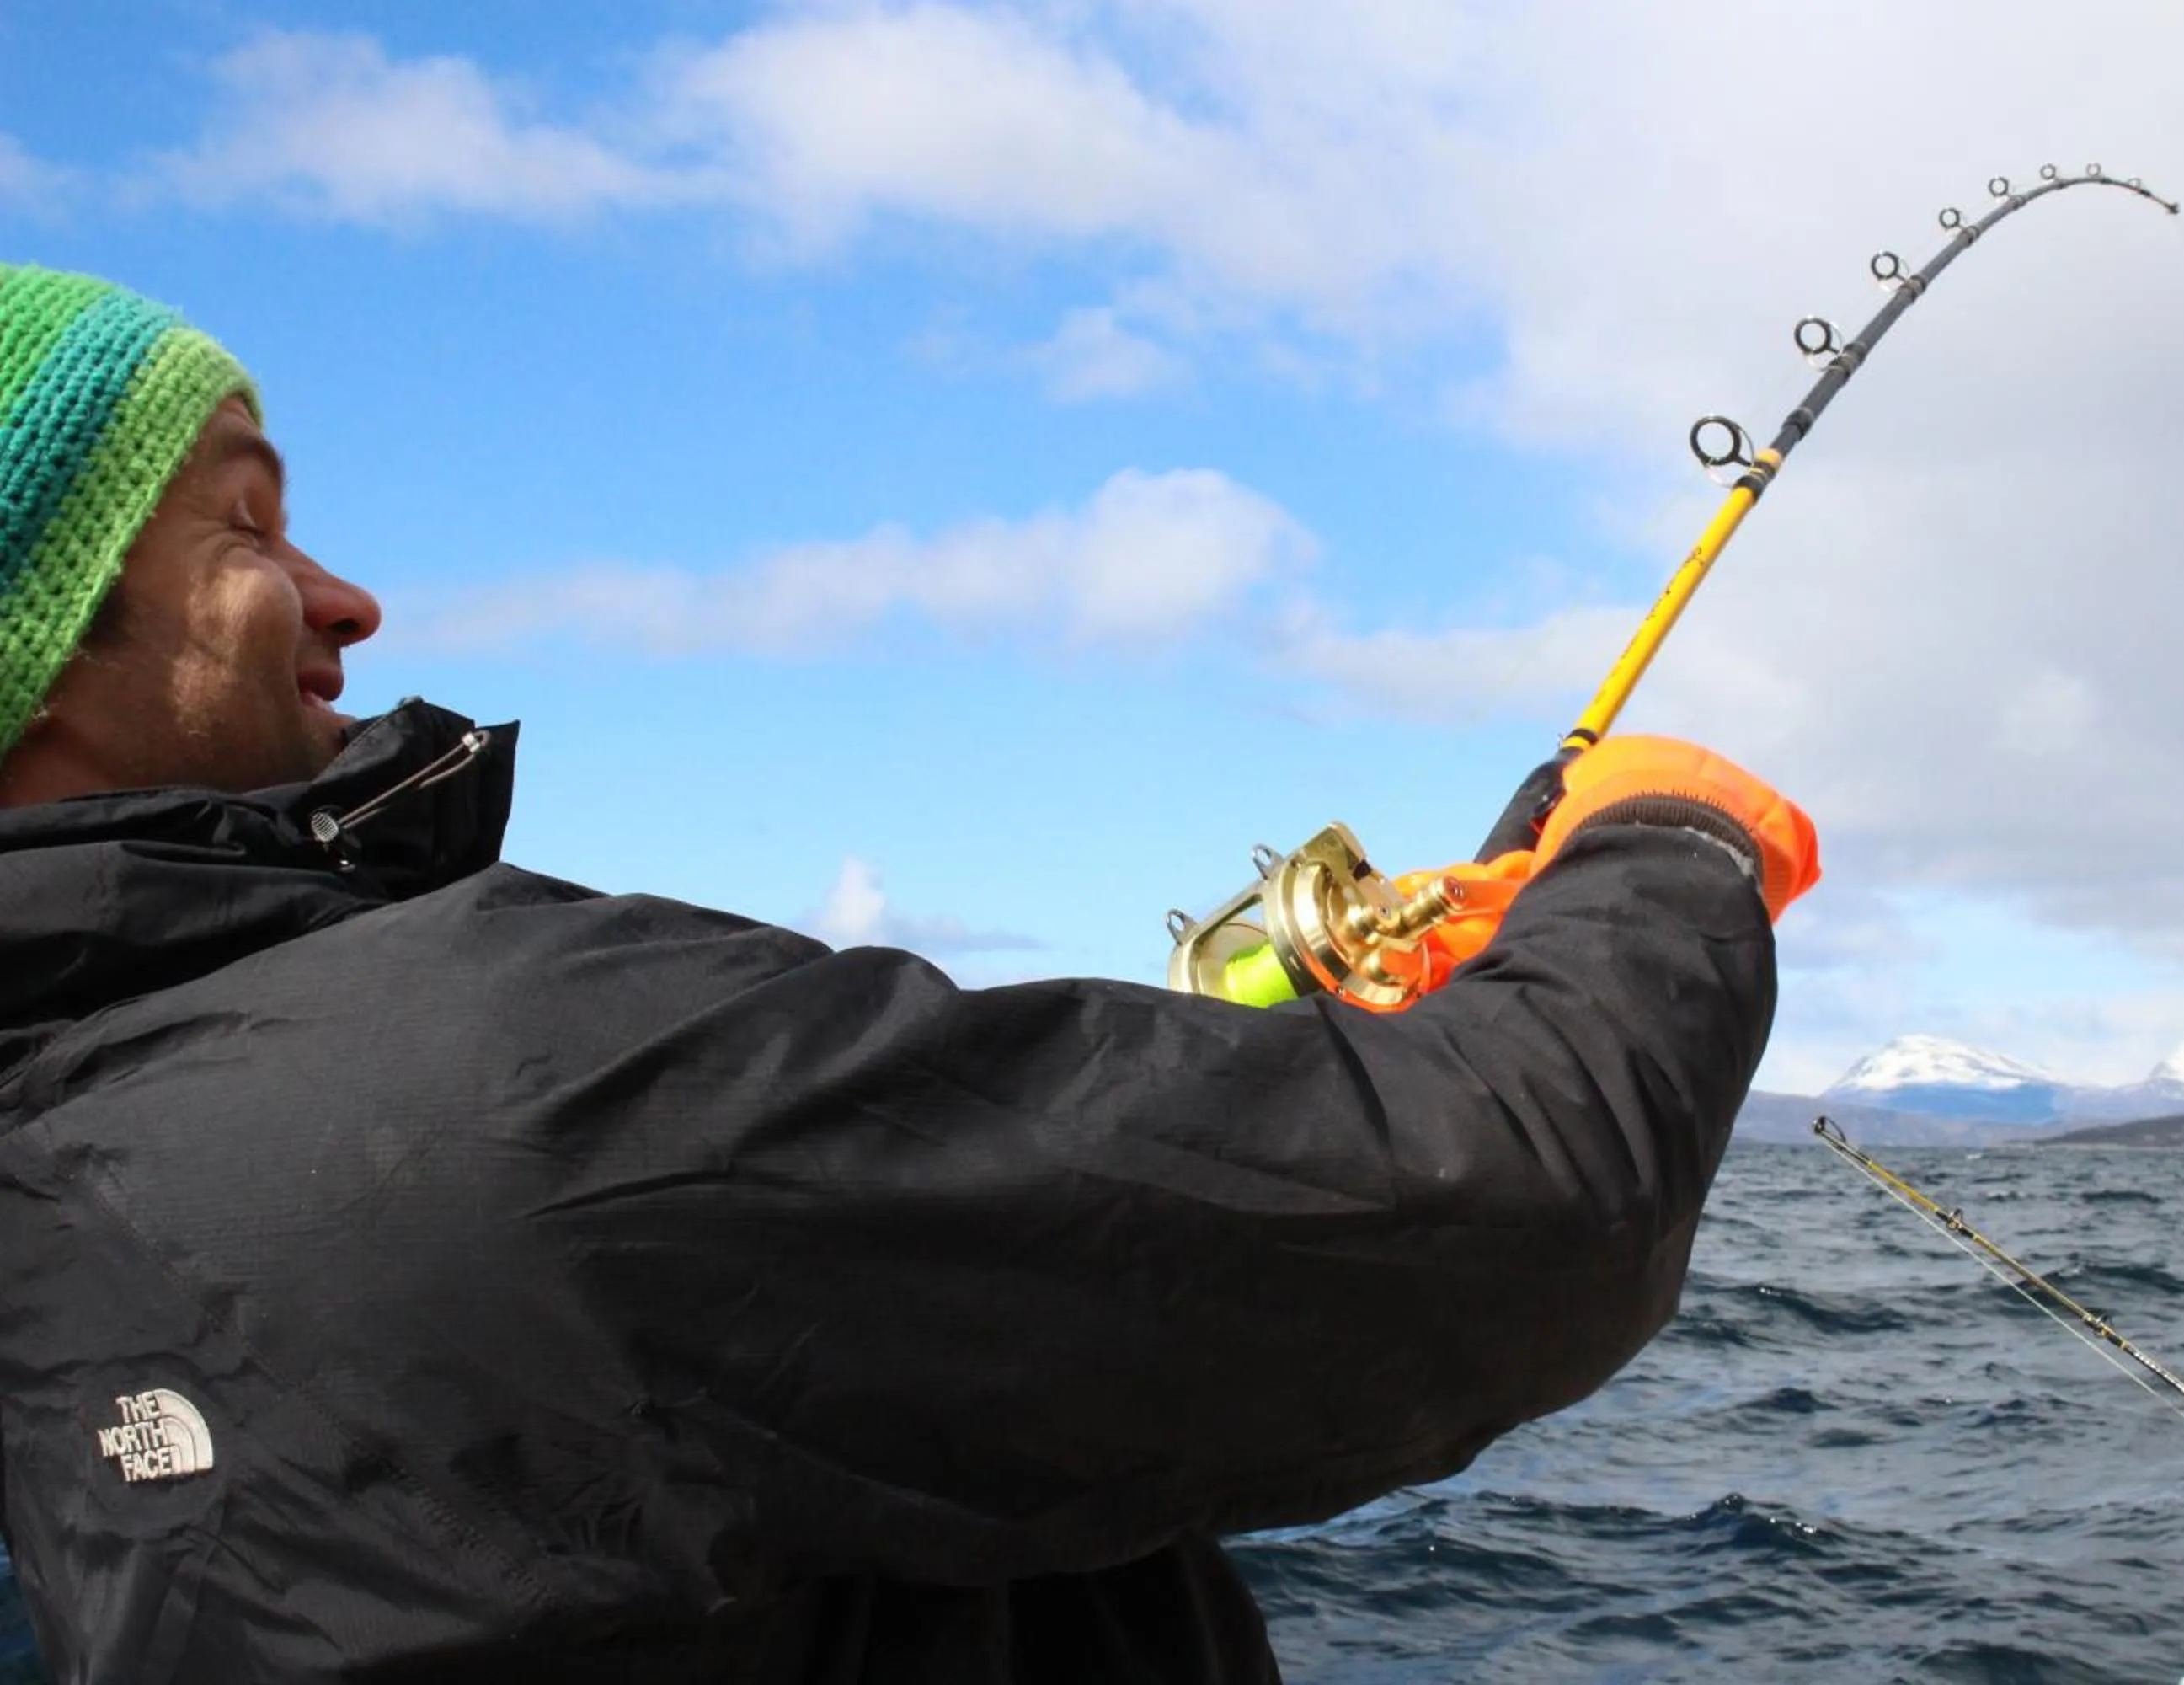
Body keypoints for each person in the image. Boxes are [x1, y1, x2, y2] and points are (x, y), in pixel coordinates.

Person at [0, 262, 1818, 1684]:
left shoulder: (63, 1135)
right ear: (40, 646)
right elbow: (1511, 1207)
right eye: (243, 525)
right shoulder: (491, 1085)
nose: (343, 598)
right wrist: (1669, 848)